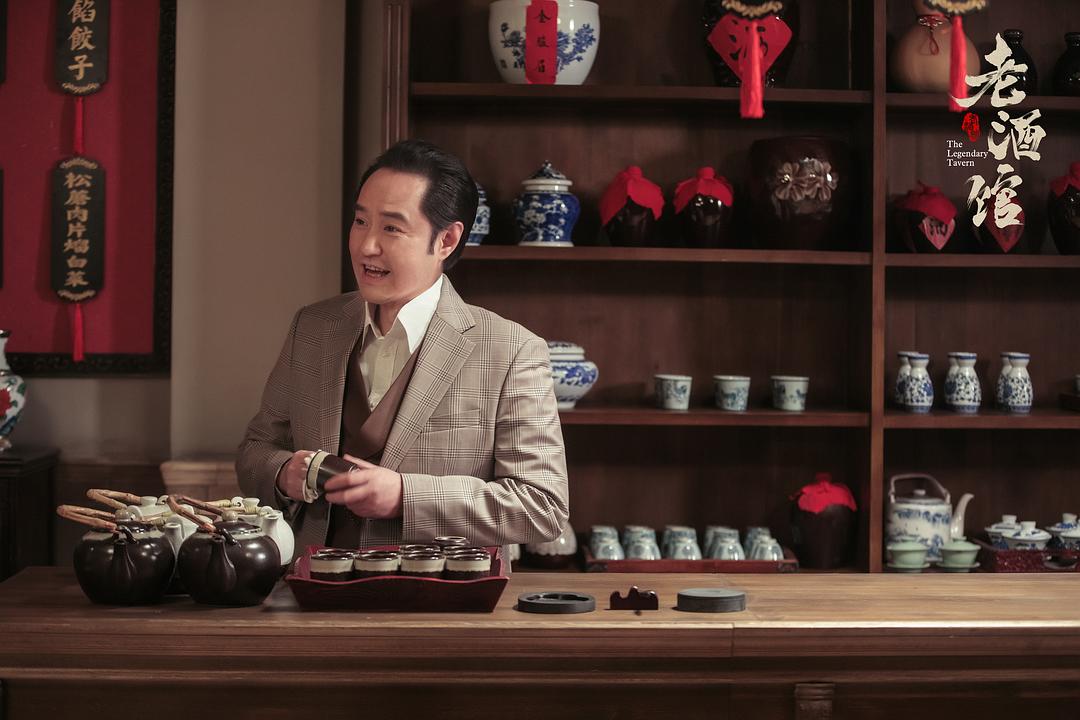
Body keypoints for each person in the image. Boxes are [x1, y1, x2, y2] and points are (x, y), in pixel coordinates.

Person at [236, 139, 569, 553]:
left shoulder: (512, 351)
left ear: (446, 240)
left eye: (391, 228)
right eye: (361, 221)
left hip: (436, 590)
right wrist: (285, 472)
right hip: (312, 584)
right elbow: (254, 452)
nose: (366, 246)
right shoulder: (313, 327)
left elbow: (542, 506)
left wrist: (405, 497)